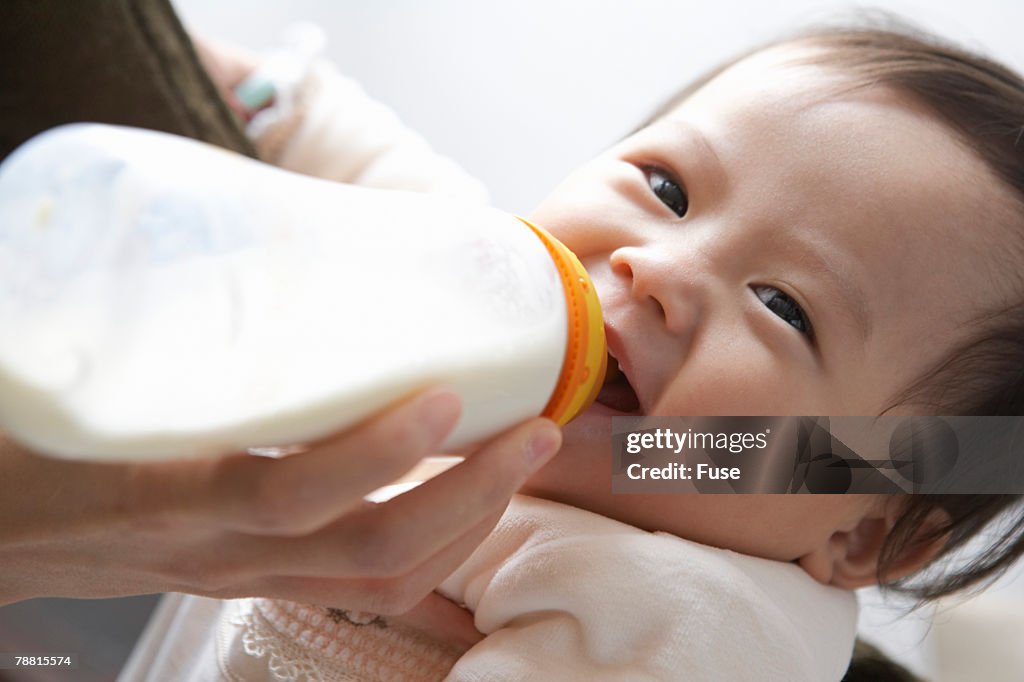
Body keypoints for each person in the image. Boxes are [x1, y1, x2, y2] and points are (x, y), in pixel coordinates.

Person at [117, 19, 1024, 682]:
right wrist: (251, 96)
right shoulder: (506, 314)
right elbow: (377, 174)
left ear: (861, 527)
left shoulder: (694, 620)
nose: (657, 268)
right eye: (667, 187)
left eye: (785, 306)